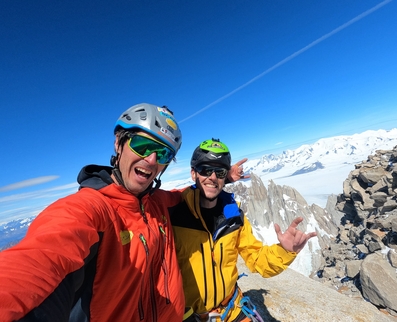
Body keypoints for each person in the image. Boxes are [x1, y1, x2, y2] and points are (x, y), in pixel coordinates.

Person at [0, 103, 187, 321]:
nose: (152, 159)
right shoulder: (92, 208)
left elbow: (185, 194)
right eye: (142, 145)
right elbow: (42, 254)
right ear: (119, 143)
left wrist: (220, 177)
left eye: (163, 153)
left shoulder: (157, 201)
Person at [170, 138, 317, 322]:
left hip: (232, 309)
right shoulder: (174, 214)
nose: (213, 177)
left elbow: (256, 259)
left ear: (226, 176)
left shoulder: (234, 215)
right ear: (194, 173)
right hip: (191, 316)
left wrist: (285, 251)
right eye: (206, 170)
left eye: (220, 171)